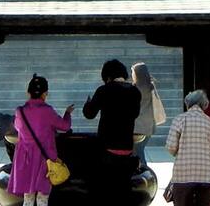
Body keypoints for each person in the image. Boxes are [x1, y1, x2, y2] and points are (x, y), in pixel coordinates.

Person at [12, 75, 75, 206]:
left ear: (28, 93)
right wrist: (67, 113)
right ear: (45, 94)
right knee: (42, 198)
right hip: (44, 160)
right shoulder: (47, 111)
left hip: (25, 160)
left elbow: (18, 127)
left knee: (28, 198)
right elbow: (65, 126)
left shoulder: (20, 112)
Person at [84, 59, 143, 190]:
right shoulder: (135, 92)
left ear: (107, 77)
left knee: (105, 188)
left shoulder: (103, 90)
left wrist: (88, 103)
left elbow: (89, 114)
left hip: (106, 149)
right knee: (122, 188)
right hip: (127, 149)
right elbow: (135, 114)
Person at [166, 90, 210, 206]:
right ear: (204, 105)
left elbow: (171, 147)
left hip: (183, 175)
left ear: (188, 103)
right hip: (206, 174)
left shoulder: (179, 119)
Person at [131, 62, 167, 166]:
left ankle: (143, 169)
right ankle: (141, 168)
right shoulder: (150, 86)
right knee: (140, 149)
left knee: (137, 151)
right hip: (149, 125)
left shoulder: (134, 88)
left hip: (137, 126)